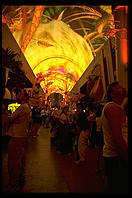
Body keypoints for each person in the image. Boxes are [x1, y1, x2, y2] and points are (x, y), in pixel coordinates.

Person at [101, 81, 129, 194]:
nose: (123, 88)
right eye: (118, 87)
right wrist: (127, 159)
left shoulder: (117, 108)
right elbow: (118, 139)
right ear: (112, 94)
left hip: (116, 157)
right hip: (117, 157)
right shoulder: (112, 108)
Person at [6, 89, 31, 192]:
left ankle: (14, 184)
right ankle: (20, 179)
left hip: (17, 137)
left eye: (20, 94)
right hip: (21, 136)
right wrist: (12, 120)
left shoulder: (22, 108)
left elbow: (8, 120)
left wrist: (7, 115)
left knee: (13, 162)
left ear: (24, 97)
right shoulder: (26, 108)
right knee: (20, 159)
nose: (17, 95)